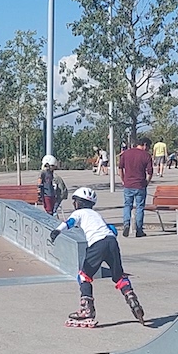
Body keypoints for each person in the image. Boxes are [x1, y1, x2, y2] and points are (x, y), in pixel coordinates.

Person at [55, 186, 144, 328]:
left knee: (84, 276)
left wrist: (57, 231)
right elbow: (113, 230)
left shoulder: (80, 212)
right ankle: (131, 297)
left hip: (97, 244)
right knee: (119, 276)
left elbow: (69, 223)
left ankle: (87, 310)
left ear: (79, 203)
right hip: (111, 242)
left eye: (75, 202)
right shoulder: (97, 215)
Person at [118, 134, 154, 238]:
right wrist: (146, 182)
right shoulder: (146, 156)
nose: (148, 149)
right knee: (140, 207)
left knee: (127, 205)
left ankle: (126, 223)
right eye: (148, 147)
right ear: (145, 145)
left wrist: (123, 180)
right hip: (140, 185)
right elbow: (150, 172)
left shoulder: (126, 153)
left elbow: (120, 168)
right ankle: (139, 230)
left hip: (128, 184)